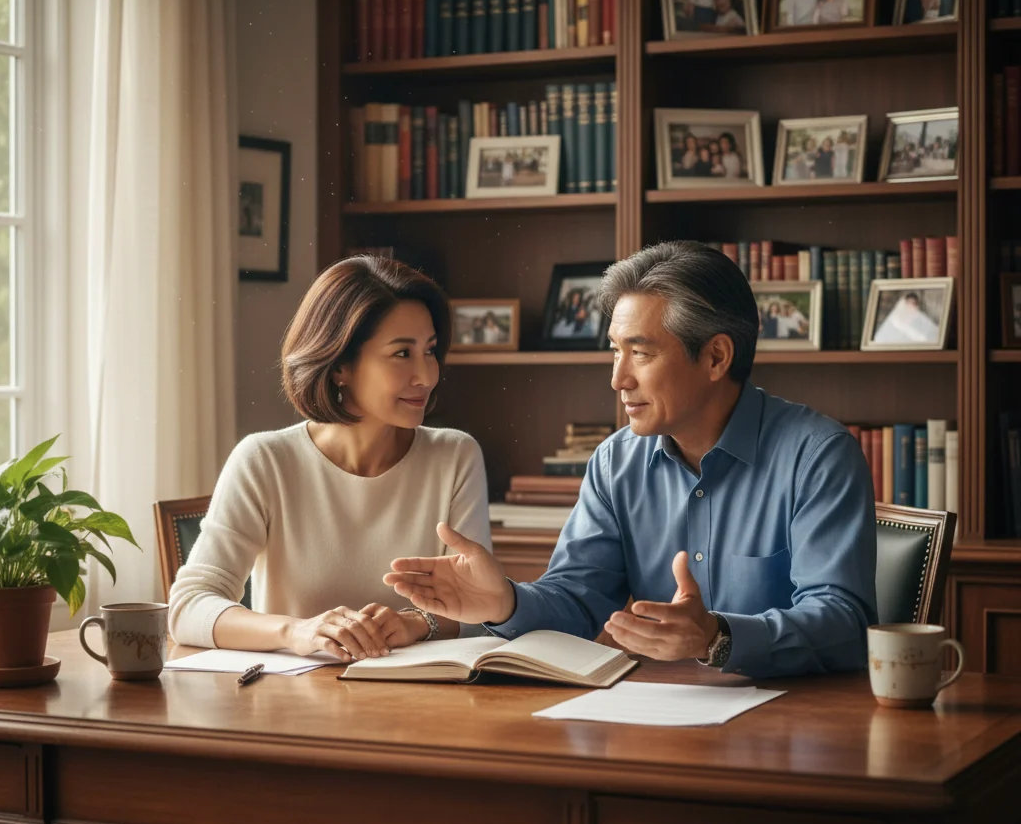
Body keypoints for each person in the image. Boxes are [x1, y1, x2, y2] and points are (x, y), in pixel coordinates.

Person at [385, 241, 877, 679]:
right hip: (657, 720)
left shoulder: (817, 456)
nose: (618, 379)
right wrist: (504, 601)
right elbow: (577, 600)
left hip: (796, 727)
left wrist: (718, 636)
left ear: (716, 358)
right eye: (615, 352)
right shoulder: (616, 461)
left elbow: (844, 622)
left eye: (640, 353)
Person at [168, 255, 492, 658]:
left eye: (429, 350)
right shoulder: (264, 460)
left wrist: (414, 622)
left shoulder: (455, 456)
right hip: (289, 706)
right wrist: (296, 632)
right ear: (340, 364)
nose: (426, 375)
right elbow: (188, 608)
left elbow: (481, 608)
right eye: (401, 354)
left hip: (418, 706)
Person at [872, 291, 941, 344]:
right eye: (908, 304)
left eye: (914, 304)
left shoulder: (923, 324)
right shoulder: (894, 322)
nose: (911, 308)